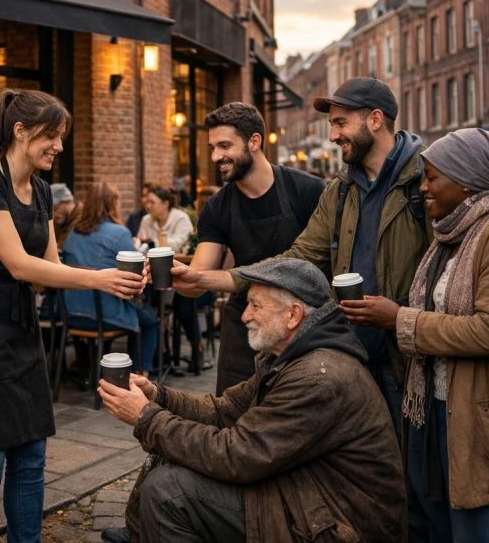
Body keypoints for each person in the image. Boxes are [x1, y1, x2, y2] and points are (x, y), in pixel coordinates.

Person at [0, 88, 143, 542]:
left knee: (31, 457)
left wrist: (112, 278)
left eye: (63, 137)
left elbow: (49, 270)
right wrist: (100, 279)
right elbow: (18, 264)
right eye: (52, 135)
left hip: (19, 329)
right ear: (20, 131)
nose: (59, 147)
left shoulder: (43, 191)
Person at [172, 77, 430, 435]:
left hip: (390, 347)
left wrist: (405, 318)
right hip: (346, 344)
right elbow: (299, 258)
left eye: (340, 123)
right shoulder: (341, 191)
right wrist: (197, 280)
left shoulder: (425, 180)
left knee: (412, 457)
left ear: (374, 120)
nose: (333, 135)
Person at [345, 128, 489, 541]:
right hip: (441, 414)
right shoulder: (449, 235)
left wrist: (401, 321)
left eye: (432, 177)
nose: (424, 188)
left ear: (467, 180)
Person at [98, 258, 405, 543]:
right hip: (308, 490)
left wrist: (146, 417)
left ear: (293, 315)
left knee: (170, 490)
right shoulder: (290, 357)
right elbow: (225, 411)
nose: (244, 316)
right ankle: (144, 534)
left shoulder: (317, 376)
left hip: (338, 519)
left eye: (255, 306)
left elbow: (237, 456)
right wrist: (158, 396)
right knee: (174, 449)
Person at [176, 103, 325, 393]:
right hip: (245, 321)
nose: (215, 156)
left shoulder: (308, 191)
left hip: (301, 322)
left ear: (254, 142)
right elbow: (198, 276)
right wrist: (178, 280)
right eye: (212, 147)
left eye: (224, 145)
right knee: (233, 413)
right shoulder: (217, 208)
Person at [61, 183, 158, 374]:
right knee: (150, 321)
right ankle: (140, 373)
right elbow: (136, 273)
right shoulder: (119, 233)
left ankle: (86, 363)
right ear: (112, 204)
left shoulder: (73, 233)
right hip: (106, 314)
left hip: (71, 313)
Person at [136, 187, 192, 252]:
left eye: (152, 202)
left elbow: (178, 245)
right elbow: (140, 244)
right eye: (147, 202)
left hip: (177, 260)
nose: (148, 206)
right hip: (150, 261)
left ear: (166, 204)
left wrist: (151, 242)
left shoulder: (181, 218)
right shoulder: (146, 219)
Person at [50, 182, 78, 247]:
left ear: (66, 202)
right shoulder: (59, 221)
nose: (54, 215)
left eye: (55, 209)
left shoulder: (82, 220)